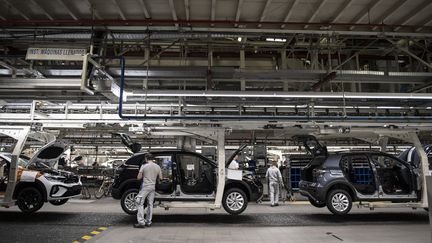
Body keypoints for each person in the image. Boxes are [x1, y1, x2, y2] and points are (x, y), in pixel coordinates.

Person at [134, 153, 162, 228]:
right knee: (150, 204)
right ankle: (148, 221)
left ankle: (141, 222)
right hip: (153, 187)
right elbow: (161, 178)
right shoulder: (157, 166)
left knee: (139, 202)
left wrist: (143, 174)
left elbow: (138, 177)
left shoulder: (144, 166)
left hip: (145, 187)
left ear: (146, 159)